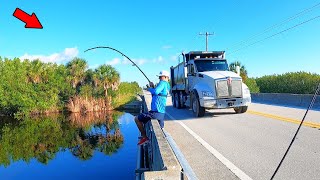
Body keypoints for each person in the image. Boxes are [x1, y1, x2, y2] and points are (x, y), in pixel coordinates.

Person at [134, 70, 171, 145]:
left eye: (161, 77)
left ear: (165, 77)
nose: (160, 79)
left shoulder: (163, 83)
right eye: (159, 77)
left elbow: (156, 92)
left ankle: (145, 137)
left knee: (137, 119)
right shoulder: (167, 85)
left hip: (155, 112)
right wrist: (153, 86)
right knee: (160, 131)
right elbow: (158, 94)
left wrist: (149, 89)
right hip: (161, 112)